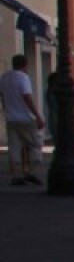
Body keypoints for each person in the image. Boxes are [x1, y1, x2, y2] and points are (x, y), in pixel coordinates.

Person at [0, 55, 46, 186]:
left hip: (11, 118)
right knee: (35, 145)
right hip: (25, 118)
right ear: (25, 65)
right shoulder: (23, 78)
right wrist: (37, 116)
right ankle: (28, 172)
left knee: (14, 147)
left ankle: (17, 175)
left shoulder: (4, 77)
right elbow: (27, 97)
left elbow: (2, 96)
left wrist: (6, 110)